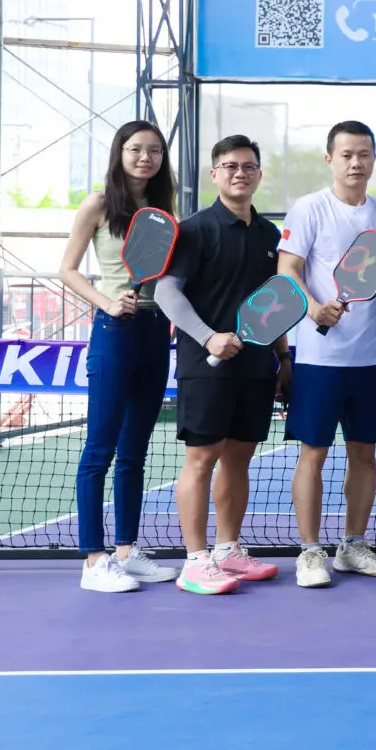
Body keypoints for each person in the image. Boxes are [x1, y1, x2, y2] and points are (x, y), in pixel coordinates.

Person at [153, 135, 290, 595]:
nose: (240, 173)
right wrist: (209, 336)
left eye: (248, 166)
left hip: (256, 366)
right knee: (201, 459)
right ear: (214, 174)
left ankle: (228, 549)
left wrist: (282, 357)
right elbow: (166, 292)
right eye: (230, 166)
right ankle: (195, 561)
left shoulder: (270, 235)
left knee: (239, 458)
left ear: (259, 174)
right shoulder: (193, 229)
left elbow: (276, 302)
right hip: (205, 364)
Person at [59, 120, 182, 592]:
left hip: (155, 331)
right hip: (114, 330)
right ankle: (94, 560)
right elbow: (68, 269)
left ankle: (127, 552)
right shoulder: (97, 204)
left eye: (154, 150)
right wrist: (109, 303)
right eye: (136, 149)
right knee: (100, 450)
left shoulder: (165, 209)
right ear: (120, 153)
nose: (145, 157)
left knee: (135, 452)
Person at [276, 120, 376, 589]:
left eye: (364, 154)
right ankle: (310, 552)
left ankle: (353, 546)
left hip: (371, 359)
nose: (355, 162)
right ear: (330, 160)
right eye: (346, 154)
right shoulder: (309, 208)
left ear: (373, 158)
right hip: (318, 359)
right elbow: (287, 269)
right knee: (314, 454)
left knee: (364, 454)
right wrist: (314, 309)